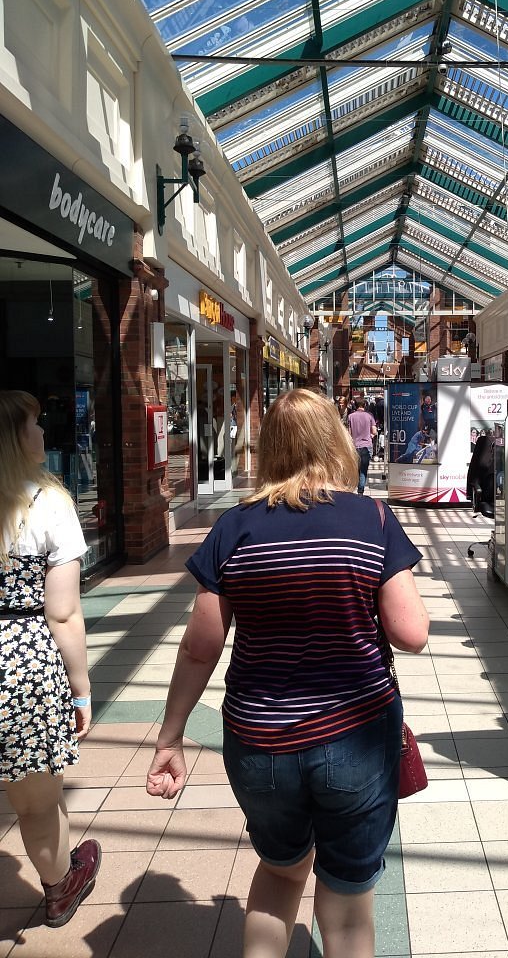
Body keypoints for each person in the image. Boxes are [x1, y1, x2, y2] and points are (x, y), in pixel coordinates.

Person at [146, 389, 428, 958]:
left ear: (269, 449)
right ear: (338, 441)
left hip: (259, 740)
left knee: (279, 875)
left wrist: (171, 736)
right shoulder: (371, 518)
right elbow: (412, 633)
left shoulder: (233, 528)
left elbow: (201, 648)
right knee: (347, 907)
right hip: (356, 733)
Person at [0, 390, 100, 928]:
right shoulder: (48, 502)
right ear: (17, 437)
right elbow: (62, 613)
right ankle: (61, 888)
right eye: (36, 425)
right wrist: (80, 689)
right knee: (37, 805)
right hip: (22, 665)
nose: (45, 433)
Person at [347, 397, 377, 496]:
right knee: (363, 470)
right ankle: (360, 492)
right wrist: (370, 437)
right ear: (365, 405)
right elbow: (374, 431)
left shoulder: (350, 416)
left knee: (355, 469)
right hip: (366, 445)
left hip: (354, 446)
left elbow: (349, 433)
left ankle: (352, 488)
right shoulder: (369, 416)